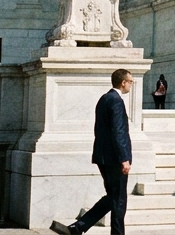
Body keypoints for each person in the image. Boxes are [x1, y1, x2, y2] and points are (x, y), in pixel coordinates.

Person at [52, 69, 133, 235]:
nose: (131, 84)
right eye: (130, 81)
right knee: (118, 200)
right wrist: (124, 158)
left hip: (103, 156)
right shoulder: (116, 101)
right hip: (114, 158)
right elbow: (118, 131)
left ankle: (79, 226)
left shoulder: (104, 98)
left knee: (112, 197)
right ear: (123, 82)